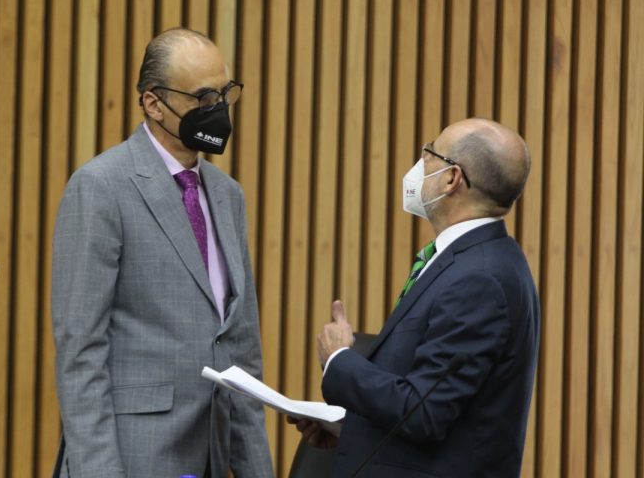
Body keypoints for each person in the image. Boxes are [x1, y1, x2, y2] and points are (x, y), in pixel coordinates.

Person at [51, 28, 272, 478]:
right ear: (154, 104)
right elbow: (81, 350)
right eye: (204, 97)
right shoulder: (100, 187)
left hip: (210, 451)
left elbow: (241, 347)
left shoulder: (228, 195)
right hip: (133, 456)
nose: (219, 110)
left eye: (226, 93)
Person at [291, 118, 540, 477]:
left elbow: (424, 412)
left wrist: (339, 360)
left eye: (429, 153)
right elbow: (445, 407)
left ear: (453, 179)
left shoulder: (479, 278)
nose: (419, 163)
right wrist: (351, 431)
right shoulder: (476, 261)